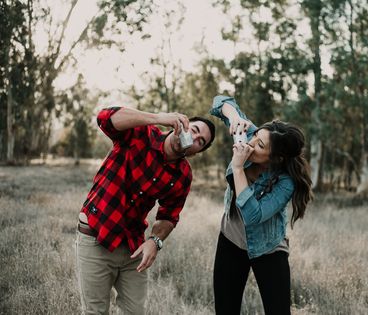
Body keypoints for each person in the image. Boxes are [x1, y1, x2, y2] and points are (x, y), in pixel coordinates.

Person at [76, 106, 215, 314]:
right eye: (194, 130)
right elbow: (105, 118)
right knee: (95, 311)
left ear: (197, 152)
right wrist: (158, 117)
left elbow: (169, 215)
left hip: (133, 246)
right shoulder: (141, 133)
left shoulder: (183, 174)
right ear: (181, 124)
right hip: (96, 235)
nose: (194, 139)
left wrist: (155, 241)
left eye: (200, 142)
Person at [210, 95, 313, 314]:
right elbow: (221, 101)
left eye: (259, 145)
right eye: (255, 135)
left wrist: (238, 169)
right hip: (231, 239)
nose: (250, 143)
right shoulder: (249, 135)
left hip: (268, 247)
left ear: (275, 158)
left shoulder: (286, 182)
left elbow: (253, 216)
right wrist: (235, 116)